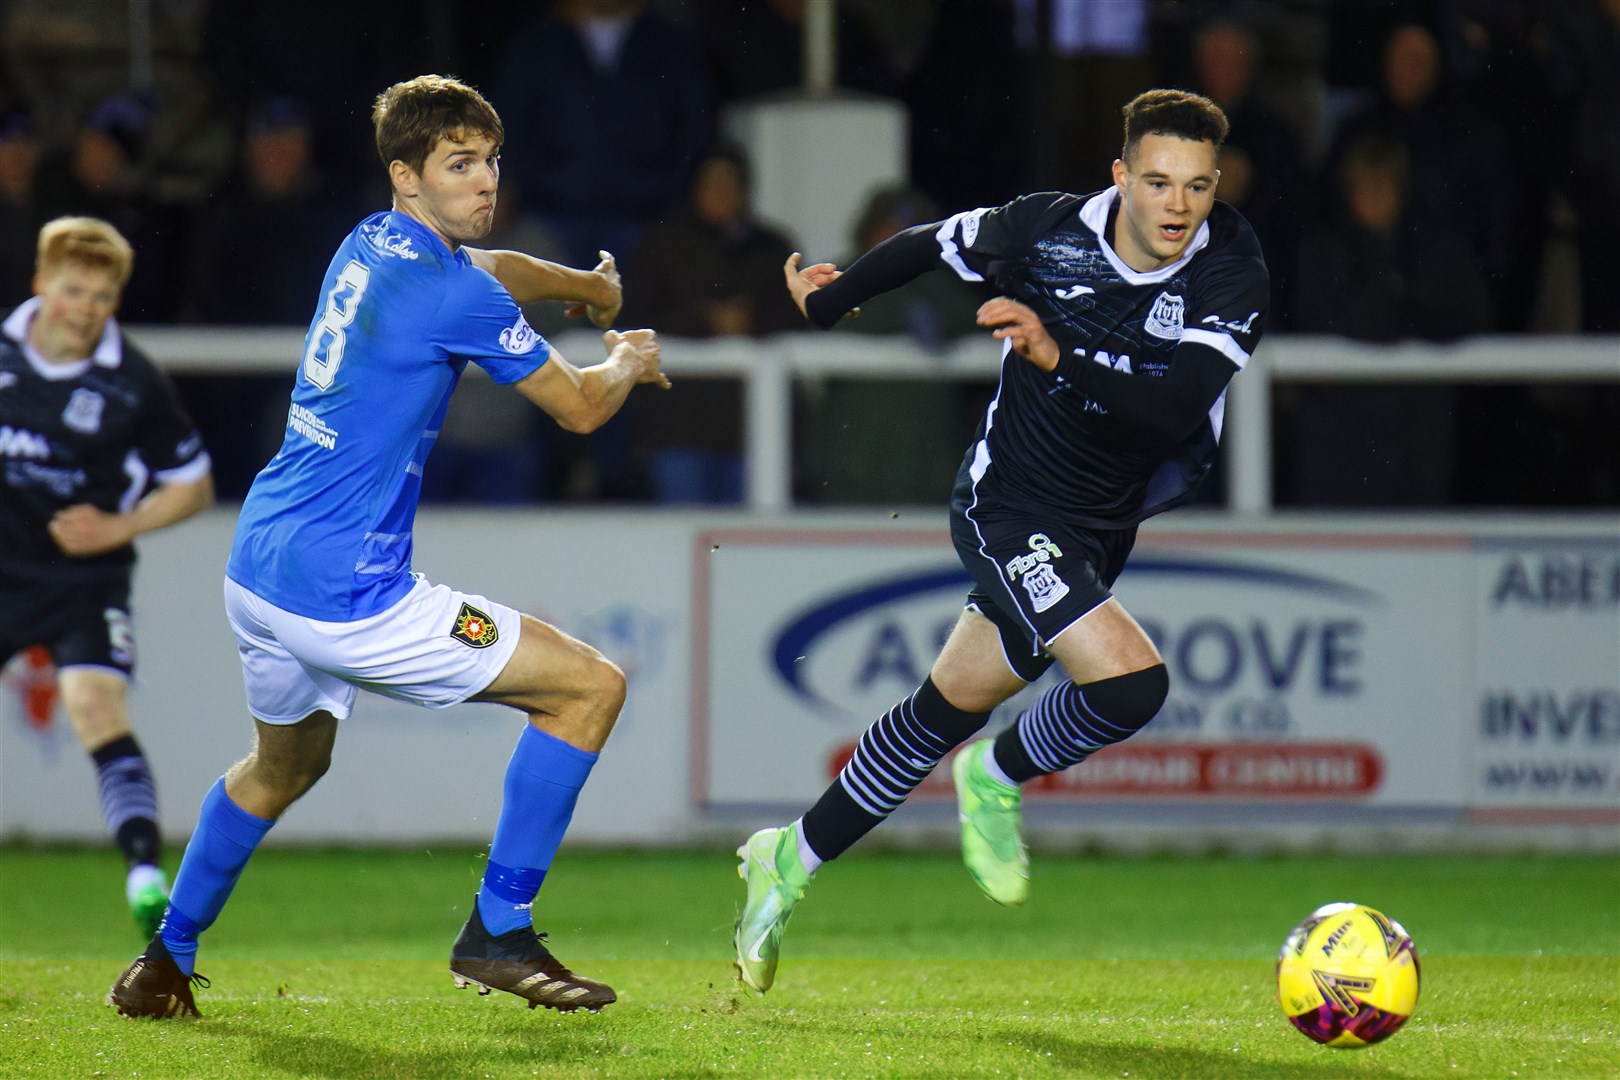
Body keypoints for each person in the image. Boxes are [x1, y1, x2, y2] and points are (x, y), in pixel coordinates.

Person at [108, 74, 668, 1020]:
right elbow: (579, 409)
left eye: (490, 160)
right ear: (407, 175)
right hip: (345, 592)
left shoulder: (370, 241)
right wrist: (623, 358)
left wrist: (580, 286)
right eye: (459, 164)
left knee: (283, 767)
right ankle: (498, 929)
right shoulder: (453, 295)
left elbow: (490, 270)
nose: (484, 180)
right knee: (590, 688)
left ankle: (164, 958)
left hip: (259, 564)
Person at [733, 89, 1269, 994]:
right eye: (1158, 181)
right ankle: (997, 772)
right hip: (1010, 507)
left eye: (1198, 186)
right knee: (1134, 685)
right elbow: (925, 244)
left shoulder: (1231, 268)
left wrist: (1060, 355)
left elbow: (1172, 414)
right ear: (1120, 177)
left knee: (939, 710)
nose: (1177, 205)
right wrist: (833, 303)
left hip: (1103, 524)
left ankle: (785, 859)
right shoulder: (1046, 230)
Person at [0, 216, 214, 939]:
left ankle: (145, 878)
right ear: (40, 285)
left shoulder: (131, 382)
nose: (85, 308)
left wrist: (117, 528)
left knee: (95, 707)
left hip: (82, 581)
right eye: (72, 290)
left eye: (101, 294)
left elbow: (193, 484)